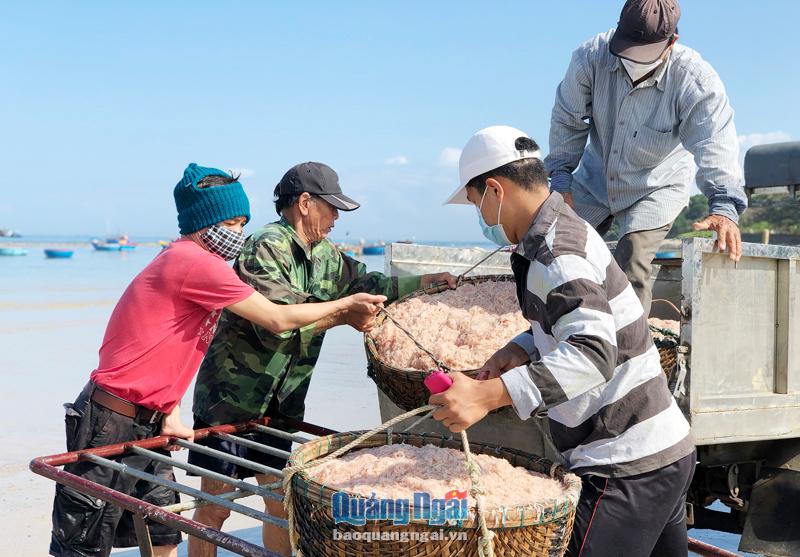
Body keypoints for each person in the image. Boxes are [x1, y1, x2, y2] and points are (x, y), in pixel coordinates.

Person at [49, 163, 385, 557]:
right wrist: (346, 307)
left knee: (163, 533)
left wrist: (169, 410)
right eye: (231, 223)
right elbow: (278, 318)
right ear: (206, 222)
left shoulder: (193, 265)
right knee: (82, 543)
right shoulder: (195, 264)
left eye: (243, 223)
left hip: (149, 417)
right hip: (110, 419)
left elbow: (153, 347)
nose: (239, 234)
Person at [439, 126, 695, 556]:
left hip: (624, 464)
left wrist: (489, 395)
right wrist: (522, 347)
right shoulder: (560, 231)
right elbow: (581, 324)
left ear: (495, 191)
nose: (482, 219)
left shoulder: (557, 253)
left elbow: (594, 355)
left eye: (475, 203)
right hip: (665, 450)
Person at [188, 161, 456, 557]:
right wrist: (344, 313)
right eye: (331, 208)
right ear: (305, 203)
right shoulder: (264, 247)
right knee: (215, 508)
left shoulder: (327, 254)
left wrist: (423, 284)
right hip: (231, 401)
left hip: (282, 407)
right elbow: (278, 320)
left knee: (281, 504)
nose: (335, 219)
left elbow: (369, 284)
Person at [545, 0, 747, 313]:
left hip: (656, 185)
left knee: (631, 262)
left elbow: (715, 141)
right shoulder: (589, 57)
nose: (632, 63)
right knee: (556, 246)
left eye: (645, 54)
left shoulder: (696, 81)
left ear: (672, 43)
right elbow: (568, 121)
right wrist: (560, 180)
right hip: (598, 176)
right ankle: (566, 327)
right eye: (627, 52)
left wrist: (723, 205)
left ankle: (629, 352)